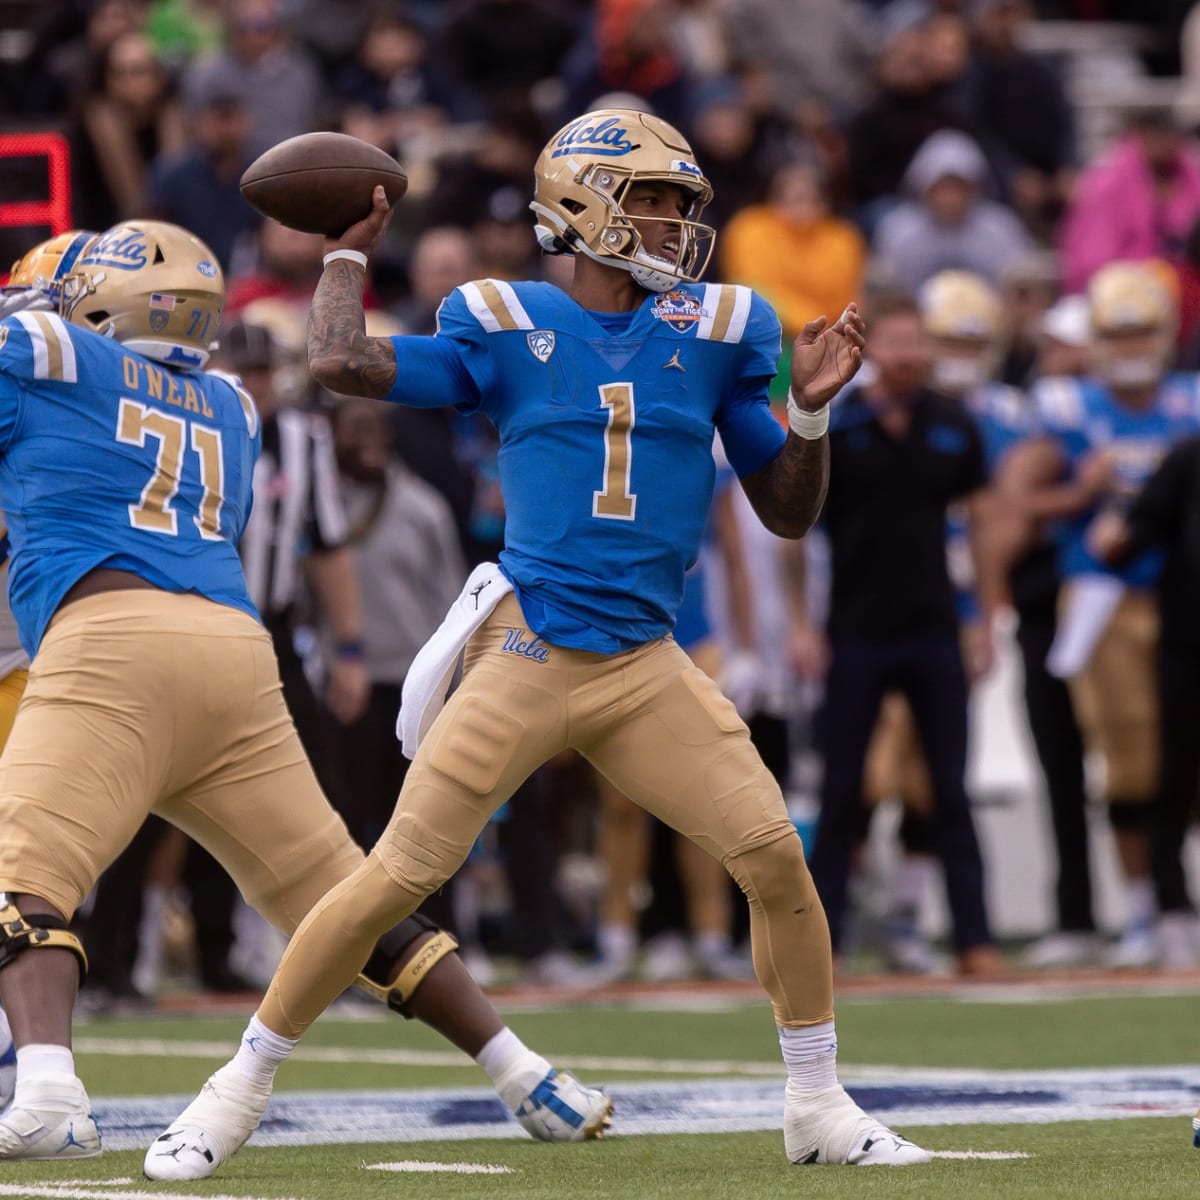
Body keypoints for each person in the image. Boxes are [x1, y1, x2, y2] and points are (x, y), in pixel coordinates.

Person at [150, 106, 932, 1179]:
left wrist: (807, 416)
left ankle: (817, 1103)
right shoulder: (503, 320)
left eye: (678, 207)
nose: (671, 227)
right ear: (580, 206)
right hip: (529, 647)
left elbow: (786, 512)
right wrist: (344, 251)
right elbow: (338, 360)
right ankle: (233, 1090)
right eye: (650, 202)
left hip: (646, 661)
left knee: (775, 858)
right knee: (393, 877)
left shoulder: (721, 331)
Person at [0, 218, 608, 1161]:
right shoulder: (234, 407)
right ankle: (524, 1072)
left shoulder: (41, 348)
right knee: (339, 894)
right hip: (233, 651)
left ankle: (45, 1090)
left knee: (20, 876)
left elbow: (51, 391)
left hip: (109, 639)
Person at [1001, 260, 1200, 968]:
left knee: (1185, 757)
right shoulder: (1064, 406)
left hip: (1182, 601)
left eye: (1140, 328)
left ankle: (1171, 902)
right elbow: (1015, 501)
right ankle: (1146, 907)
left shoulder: (1190, 400)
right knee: (1131, 757)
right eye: (1116, 331)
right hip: (1100, 595)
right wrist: (1080, 492)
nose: (1129, 343)